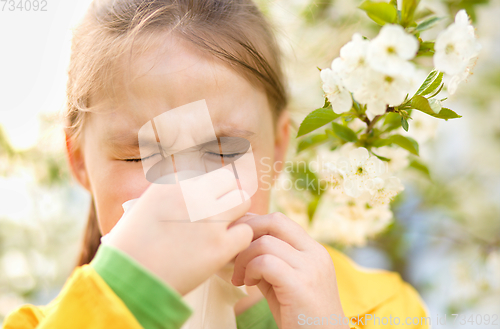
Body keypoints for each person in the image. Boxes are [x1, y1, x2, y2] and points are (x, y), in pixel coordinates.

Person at [2, 0, 430, 328]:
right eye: (138, 155)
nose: (184, 190)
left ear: (278, 149)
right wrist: (122, 296)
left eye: (223, 151)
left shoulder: (381, 310)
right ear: (79, 162)